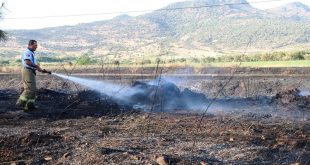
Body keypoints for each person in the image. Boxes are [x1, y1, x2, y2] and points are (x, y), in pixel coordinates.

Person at [16, 40, 51, 111]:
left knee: (33, 89)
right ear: (30, 45)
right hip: (27, 71)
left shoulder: (32, 53)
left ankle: (30, 104)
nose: (36, 47)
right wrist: (37, 67)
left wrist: (43, 70)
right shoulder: (27, 52)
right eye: (35, 45)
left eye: (36, 45)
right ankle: (20, 104)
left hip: (31, 71)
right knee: (29, 89)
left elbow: (34, 65)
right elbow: (27, 62)